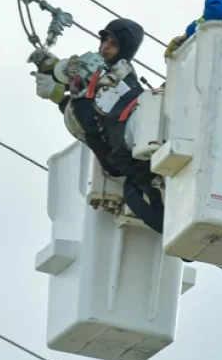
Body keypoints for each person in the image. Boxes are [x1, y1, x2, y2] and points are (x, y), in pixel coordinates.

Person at [32, 18, 165, 234]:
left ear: (125, 49)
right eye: (104, 41)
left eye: (113, 44)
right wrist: (60, 94)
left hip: (134, 166)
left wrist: (64, 98)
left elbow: (100, 122)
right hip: (119, 163)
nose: (105, 47)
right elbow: (89, 119)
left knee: (151, 208)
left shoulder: (126, 86)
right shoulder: (95, 77)